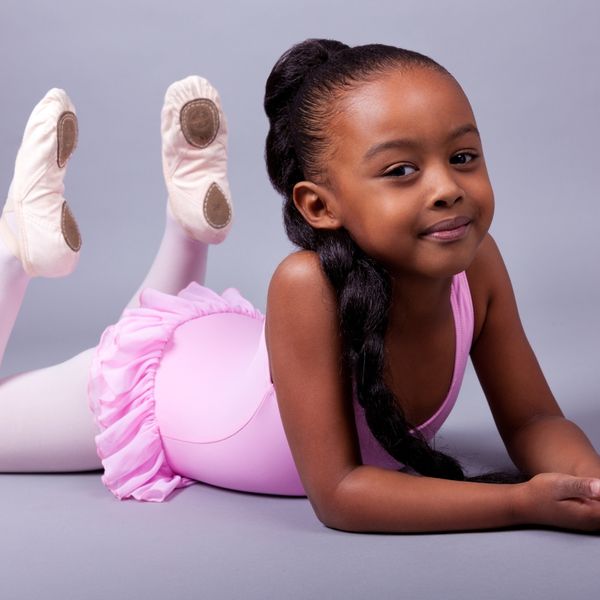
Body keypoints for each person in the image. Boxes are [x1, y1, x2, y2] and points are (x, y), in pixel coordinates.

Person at [1, 39, 600, 534]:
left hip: (222, 354)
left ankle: (186, 226)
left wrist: (586, 483)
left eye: (464, 156)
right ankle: (15, 244)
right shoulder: (305, 284)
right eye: (401, 171)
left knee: (151, 314)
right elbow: (340, 494)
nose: (447, 187)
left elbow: (534, 421)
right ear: (318, 206)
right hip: (165, 394)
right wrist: (522, 505)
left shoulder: (478, 263)